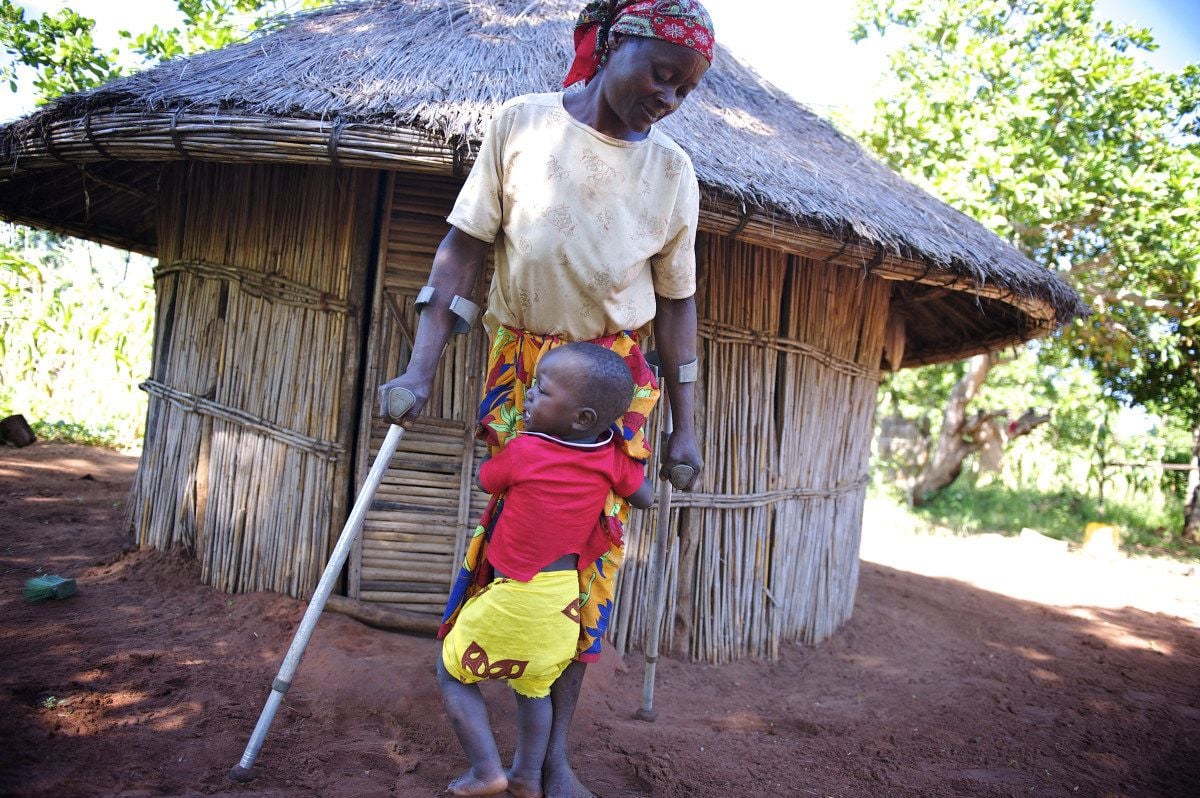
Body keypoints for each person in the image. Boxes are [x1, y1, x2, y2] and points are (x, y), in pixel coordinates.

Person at [378, 2, 715, 795]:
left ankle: (550, 757)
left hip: (615, 384)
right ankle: (500, 742)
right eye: (661, 74)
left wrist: (686, 430)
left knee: (582, 568)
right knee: (514, 547)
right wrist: (418, 369)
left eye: (686, 89)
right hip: (528, 376)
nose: (668, 98)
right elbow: (462, 248)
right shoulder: (522, 125)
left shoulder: (672, 174)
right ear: (612, 45)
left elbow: (678, 305)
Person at [437, 342, 655, 797]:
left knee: (452, 673)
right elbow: (644, 496)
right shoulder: (609, 459)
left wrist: (496, 455)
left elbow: (486, 480)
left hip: (511, 597)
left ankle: (485, 770)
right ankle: (527, 776)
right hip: (560, 606)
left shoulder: (525, 452)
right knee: (534, 690)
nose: (529, 397)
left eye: (541, 390)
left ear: (580, 418)